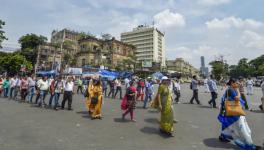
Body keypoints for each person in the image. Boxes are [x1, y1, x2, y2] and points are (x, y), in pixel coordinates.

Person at [218, 78, 262, 150]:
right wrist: (238, 91)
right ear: (232, 83)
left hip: (230, 111)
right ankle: (249, 145)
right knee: (243, 129)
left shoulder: (230, 89)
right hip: (235, 112)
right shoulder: (231, 89)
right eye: (236, 83)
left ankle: (223, 136)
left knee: (228, 125)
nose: (238, 84)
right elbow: (237, 98)